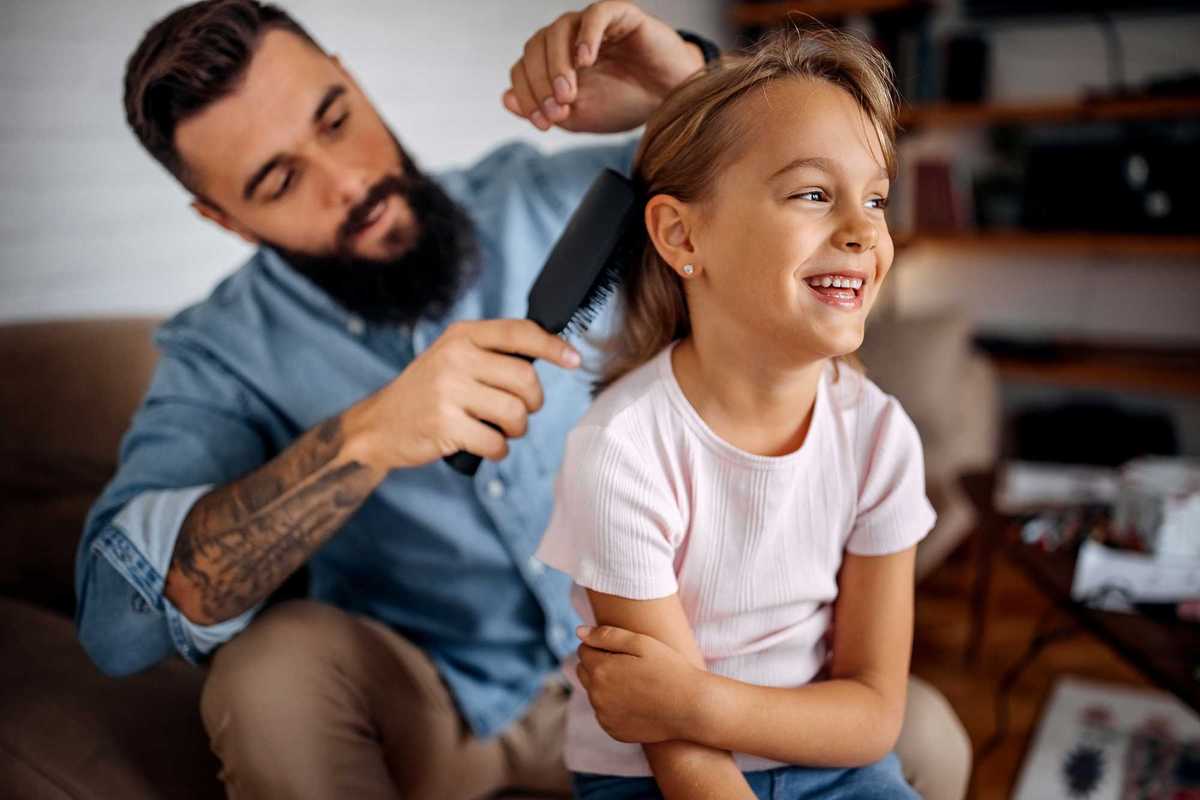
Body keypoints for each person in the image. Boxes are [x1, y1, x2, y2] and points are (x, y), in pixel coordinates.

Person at [74, 1, 969, 798]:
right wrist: (366, 438)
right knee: (269, 676)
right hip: (447, 703)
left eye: (335, 119)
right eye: (279, 180)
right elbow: (116, 625)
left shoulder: (554, 197)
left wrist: (690, 78)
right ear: (223, 219)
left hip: (682, 657)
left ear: (351, 78)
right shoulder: (222, 355)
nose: (346, 181)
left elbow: (773, 176)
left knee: (926, 736)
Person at [535, 25, 940, 800]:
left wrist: (694, 700)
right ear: (681, 234)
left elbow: (873, 716)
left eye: (876, 199)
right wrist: (684, 715)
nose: (864, 230)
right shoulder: (621, 449)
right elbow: (683, 759)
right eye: (814, 193)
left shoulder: (881, 437)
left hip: (834, 763)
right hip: (658, 778)